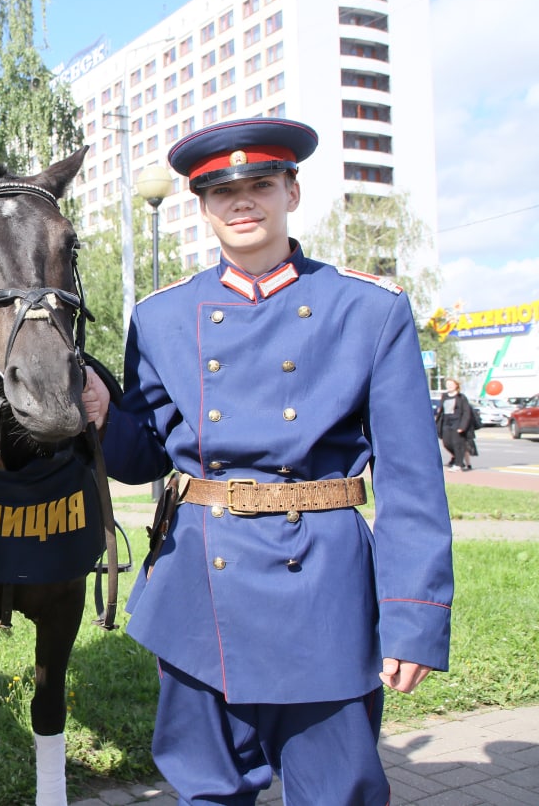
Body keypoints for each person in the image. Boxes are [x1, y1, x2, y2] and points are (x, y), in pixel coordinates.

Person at [80, 117, 454, 804]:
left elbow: (412, 481)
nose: (242, 201)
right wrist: (101, 411)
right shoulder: (161, 317)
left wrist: (414, 614)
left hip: (324, 594)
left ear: (292, 191)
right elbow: (143, 456)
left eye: (260, 184)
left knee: (336, 790)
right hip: (200, 592)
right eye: (225, 191)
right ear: (202, 206)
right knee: (207, 792)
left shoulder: (367, 308)